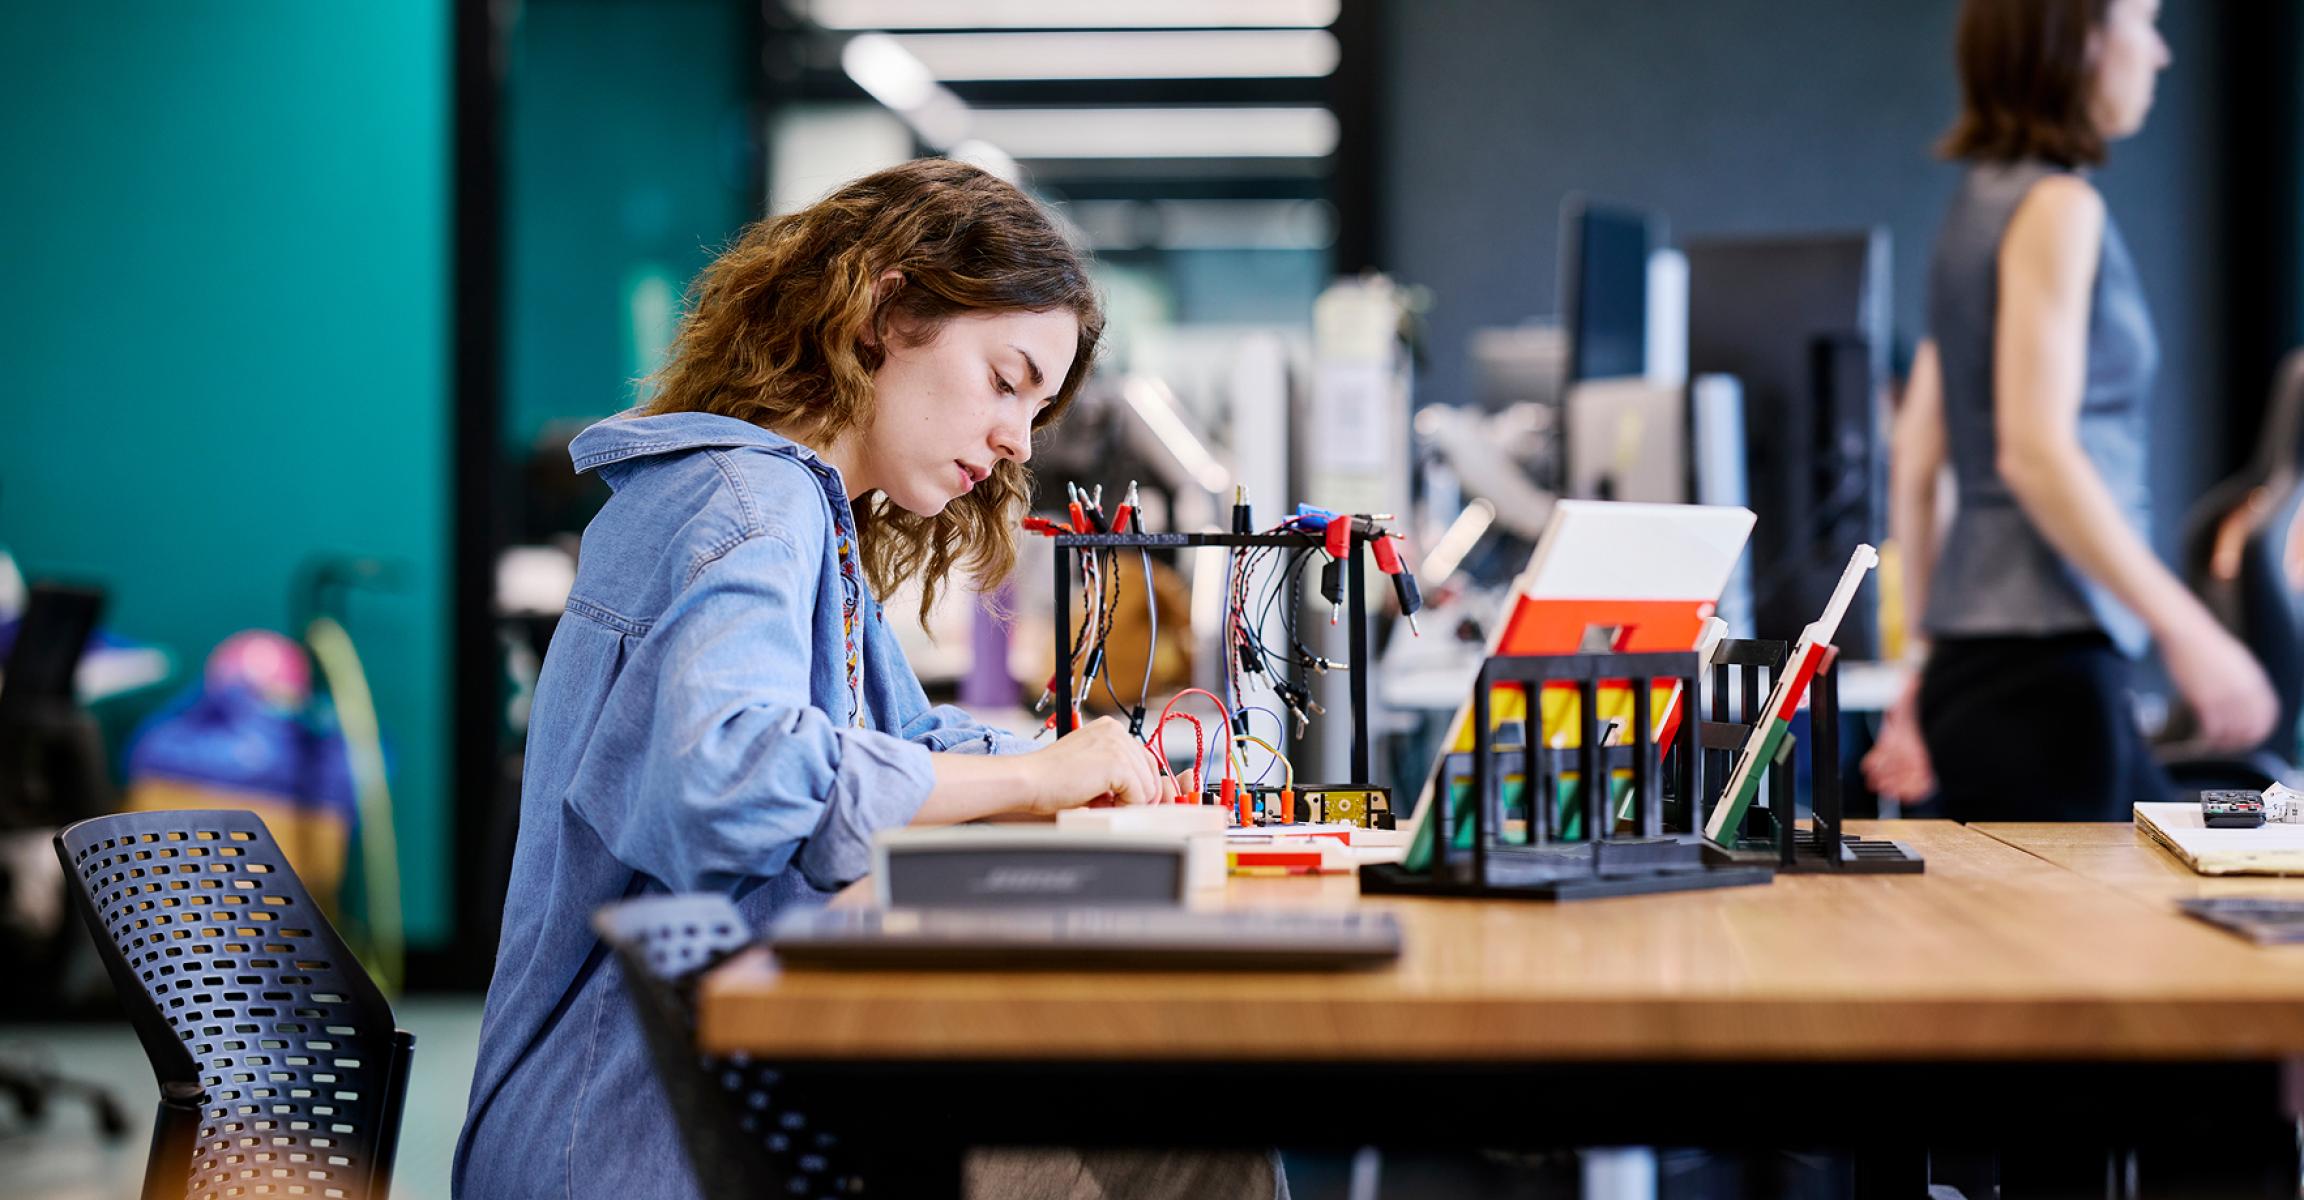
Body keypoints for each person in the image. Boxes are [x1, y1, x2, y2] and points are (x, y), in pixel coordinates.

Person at [452, 159, 1280, 1197]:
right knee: (1197, 1141)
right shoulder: (752, 506)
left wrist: (1087, 764)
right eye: (1007, 380)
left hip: (659, 1119)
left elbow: (900, 741)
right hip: (641, 1146)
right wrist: (1039, 781)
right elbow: (735, 778)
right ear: (887, 313)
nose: (1017, 440)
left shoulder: (784, 508)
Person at [1863, 0, 2277, 819]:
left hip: (1979, 673)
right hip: (2051, 663)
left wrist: (1925, 663)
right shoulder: (2058, 208)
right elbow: (2035, 452)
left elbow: (1916, 454)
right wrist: (2188, 630)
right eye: (2142, 24)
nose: (2158, 54)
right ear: (2081, 43)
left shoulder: (1974, 209)